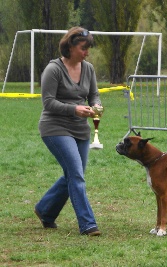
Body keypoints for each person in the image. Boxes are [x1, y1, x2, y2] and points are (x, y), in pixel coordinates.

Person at [34, 26, 102, 236]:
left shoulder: (88, 68)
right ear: (70, 46)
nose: (87, 53)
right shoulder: (53, 69)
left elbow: (94, 95)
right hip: (55, 127)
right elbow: (48, 103)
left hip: (80, 129)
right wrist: (74, 109)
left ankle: (45, 210)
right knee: (76, 175)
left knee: (74, 175)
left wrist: (96, 106)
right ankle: (88, 224)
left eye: (88, 48)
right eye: (83, 48)